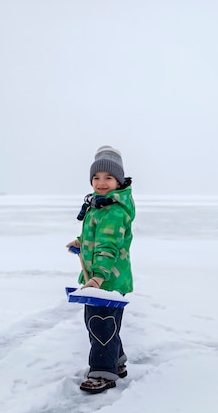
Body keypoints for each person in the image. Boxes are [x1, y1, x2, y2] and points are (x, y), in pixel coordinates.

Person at [66, 145, 135, 394]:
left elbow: (108, 248)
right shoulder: (101, 206)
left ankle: (102, 372)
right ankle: (116, 363)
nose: (101, 182)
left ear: (119, 181)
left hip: (106, 280)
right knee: (106, 323)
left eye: (108, 178)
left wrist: (97, 277)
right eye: (96, 177)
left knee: (100, 323)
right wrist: (81, 242)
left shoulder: (114, 212)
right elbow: (96, 236)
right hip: (106, 280)